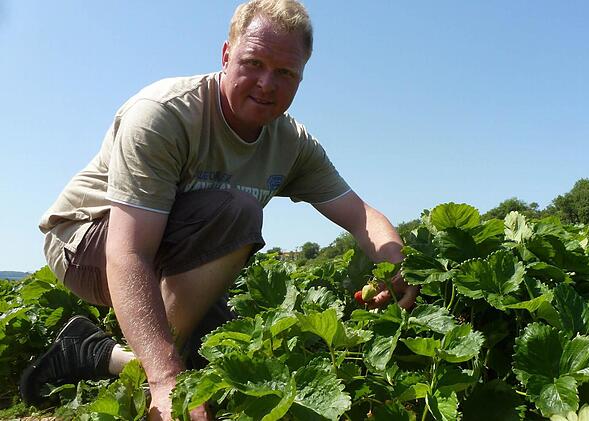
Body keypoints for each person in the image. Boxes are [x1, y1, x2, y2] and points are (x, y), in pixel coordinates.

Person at [21, 0, 418, 419]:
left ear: (301, 76)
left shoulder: (291, 143)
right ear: (226, 55)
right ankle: (154, 383)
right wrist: (165, 377)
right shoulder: (163, 114)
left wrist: (395, 263)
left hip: (173, 250)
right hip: (86, 243)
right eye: (254, 63)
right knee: (234, 213)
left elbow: (359, 214)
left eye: (285, 72)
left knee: (224, 359)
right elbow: (129, 252)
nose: (267, 83)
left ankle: (90, 353)